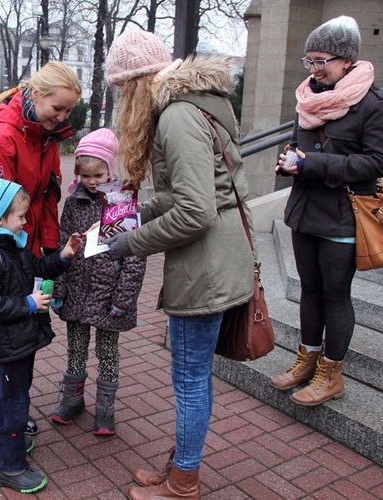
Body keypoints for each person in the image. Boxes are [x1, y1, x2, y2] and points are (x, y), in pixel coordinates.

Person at [102, 29, 256, 498]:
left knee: (190, 379)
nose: (122, 103)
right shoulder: (195, 105)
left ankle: (184, 480)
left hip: (204, 266)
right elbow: (197, 192)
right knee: (193, 375)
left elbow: (196, 211)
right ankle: (180, 465)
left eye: (121, 91)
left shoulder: (176, 116)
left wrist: (128, 243)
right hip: (216, 257)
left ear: (136, 83)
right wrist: (138, 210)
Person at [269, 16, 383, 406]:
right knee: (309, 290)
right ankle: (307, 358)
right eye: (309, 61)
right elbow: (297, 144)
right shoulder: (307, 97)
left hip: (344, 213)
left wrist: (313, 165)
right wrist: (288, 161)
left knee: (335, 293)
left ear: (347, 60)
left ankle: (331, 371)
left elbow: (377, 162)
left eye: (321, 60)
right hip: (306, 210)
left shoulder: (374, 103)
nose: (314, 69)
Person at [0, 61, 81, 437]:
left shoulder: (42, 132)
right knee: (3, 331)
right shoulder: (1, 136)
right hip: (3, 246)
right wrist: (19, 256)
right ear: (35, 94)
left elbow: (44, 194)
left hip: (22, 242)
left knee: (11, 331)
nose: (61, 117)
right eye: (57, 108)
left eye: (68, 111)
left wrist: (49, 247)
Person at [0, 177, 83, 493]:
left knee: (7, 393)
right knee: (14, 403)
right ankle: (8, 466)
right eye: (20, 216)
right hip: (7, 340)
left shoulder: (9, 244)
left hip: (18, 338)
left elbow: (37, 267)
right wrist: (28, 303)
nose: (25, 222)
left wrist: (64, 256)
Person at [49, 128, 146, 435]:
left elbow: (134, 255)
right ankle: (72, 398)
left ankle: (105, 406)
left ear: (110, 168)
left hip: (109, 295)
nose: (92, 181)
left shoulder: (122, 202)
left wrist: (123, 299)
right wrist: (60, 289)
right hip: (77, 289)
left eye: (98, 174)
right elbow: (64, 244)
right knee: (75, 347)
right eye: (85, 175)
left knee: (107, 351)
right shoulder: (74, 201)